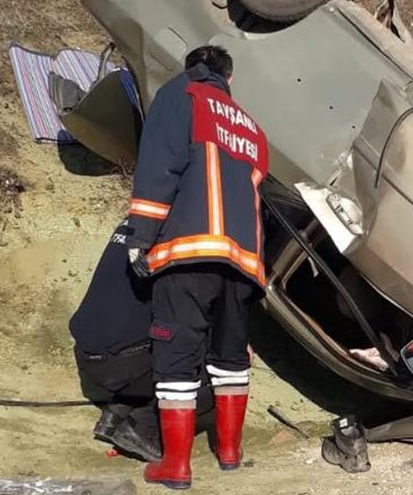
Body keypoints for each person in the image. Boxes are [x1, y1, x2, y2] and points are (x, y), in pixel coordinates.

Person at [122, 44, 269, 490]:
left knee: (177, 354)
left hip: (189, 249)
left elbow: (159, 165)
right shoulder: (250, 125)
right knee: (229, 357)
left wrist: (141, 236)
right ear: (229, 78)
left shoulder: (180, 94)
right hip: (242, 260)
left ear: (194, 68)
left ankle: (177, 466)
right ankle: (229, 452)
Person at [68, 218, 214, 464]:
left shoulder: (139, 218)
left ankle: (117, 412)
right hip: (119, 361)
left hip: (89, 350)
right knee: (220, 363)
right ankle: (144, 427)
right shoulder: (184, 236)